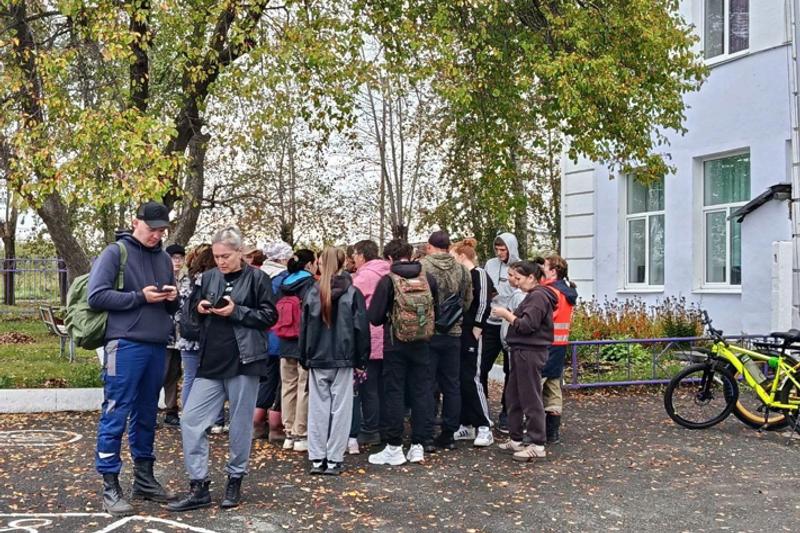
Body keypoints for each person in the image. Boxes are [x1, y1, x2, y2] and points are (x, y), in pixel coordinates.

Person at [169, 226, 278, 511]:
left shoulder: (258, 278)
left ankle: (235, 479)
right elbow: (189, 316)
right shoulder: (208, 277)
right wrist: (199, 308)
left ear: (240, 252)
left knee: (239, 425)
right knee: (191, 420)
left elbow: (270, 316)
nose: (221, 261)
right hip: (211, 360)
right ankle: (198, 485)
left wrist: (236, 311)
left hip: (245, 360)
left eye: (226, 256)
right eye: (217, 256)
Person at [88, 201, 179, 516]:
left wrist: (172, 298)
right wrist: (140, 297)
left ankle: (144, 478)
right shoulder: (115, 253)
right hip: (124, 344)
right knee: (116, 411)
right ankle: (110, 485)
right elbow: (96, 296)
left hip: (156, 344)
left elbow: (170, 308)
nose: (157, 235)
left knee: (146, 414)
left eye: (162, 230)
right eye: (152, 229)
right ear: (135, 222)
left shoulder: (164, 258)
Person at [300, 247, 370, 475]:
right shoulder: (352, 292)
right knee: (341, 410)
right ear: (343, 264)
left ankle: (317, 457)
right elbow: (361, 329)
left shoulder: (312, 292)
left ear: (320, 264)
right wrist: (361, 360)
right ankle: (334, 459)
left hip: (318, 357)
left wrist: (305, 357)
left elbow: (305, 328)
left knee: (318, 408)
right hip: (344, 357)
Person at [367, 239, 438, 466]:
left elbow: (374, 317)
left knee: (394, 393)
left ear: (389, 258)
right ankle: (418, 445)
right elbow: (437, 310)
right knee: (422, 391)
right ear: (411, 254)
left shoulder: (388, 280)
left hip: (395, 344)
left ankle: (394, 446)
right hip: (423, 343)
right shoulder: (428, 279)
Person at [490, 261, 557, 462]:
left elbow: (527, 325)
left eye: (518, 278)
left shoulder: (538, 297)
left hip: (530, 351)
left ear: (531, 277)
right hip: (522, 350)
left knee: (530, 397)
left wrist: (506, 315)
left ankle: (537, 444)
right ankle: (516, 438)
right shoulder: (533, 296)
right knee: (514, 396)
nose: (515, 282)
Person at [420, 230, 472, 450]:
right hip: (453, 332)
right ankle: (449, 434)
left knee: (427, 383)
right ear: (449, 247)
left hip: (428, 332)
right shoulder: (462, 270)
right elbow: (467, 301)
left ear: (430, 246)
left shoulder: (422, 267)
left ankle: (426, 433)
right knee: (452, 384)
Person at [449, 239, 494, 447]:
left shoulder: (479, 274)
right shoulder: (459, 276)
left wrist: (478, 326)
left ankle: (484, 425)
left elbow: (484, 302)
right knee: (459, 377)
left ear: (461, 256)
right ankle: (465, 423)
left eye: (453, 257)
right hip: (458, 330)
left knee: (472, 377)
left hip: (471, 331)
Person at [351, 239, 391, 448]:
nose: (353, 259)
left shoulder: (364, 277)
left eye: (355, 254)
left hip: (371, 338)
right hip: (389, 336)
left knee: (369, 387)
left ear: (362, 255)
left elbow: (354, 306)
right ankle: (385, 426)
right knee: (385, 386)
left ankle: (370, 429)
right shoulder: (389, 272)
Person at [277, 249, 317, 452]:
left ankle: (288, 432)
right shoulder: (310, 283)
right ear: (309, 264)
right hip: (303, 343)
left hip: (285, 341)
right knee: (304, 386)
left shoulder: (284, 283)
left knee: (287, 386)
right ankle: (301, 432)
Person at [254, 241, 293, 441]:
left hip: (259, 336)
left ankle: (257, 423)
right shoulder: (285, 279)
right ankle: (276, 427)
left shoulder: (256, 276)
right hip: (280, 335)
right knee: (282, 382)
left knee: (265, 380)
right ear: (283, 258)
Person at [481, 232, 521, 432]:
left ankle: (507, 412)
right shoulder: (490, 264)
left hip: (509, 324)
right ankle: (482, 410)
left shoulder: (519, 267)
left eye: (503, 250)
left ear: (511, 249)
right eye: (497, 249)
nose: (499, 253)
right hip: (491, 322)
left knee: (510, 371)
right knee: (481, 368)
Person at [540, 254, 578, 444]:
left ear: (553, 271)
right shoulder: (567, 291)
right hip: (560, 345)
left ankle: (534, 430)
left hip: (544, 344)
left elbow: (541, 317)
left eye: (545, 267)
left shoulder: (550, 292)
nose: (542, 269)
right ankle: (552, 432)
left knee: (535, 387)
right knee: (553, 387)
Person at [161, 243, 186, 428]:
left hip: (181, 335)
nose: (177, 261)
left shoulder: (187, 280)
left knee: (174, 373)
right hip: (163, 334)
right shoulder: (161, 278)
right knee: (160, 372)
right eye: (173, 258)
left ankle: (171, 410)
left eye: (180, 258)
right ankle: (148, 411)